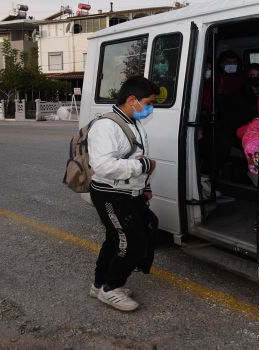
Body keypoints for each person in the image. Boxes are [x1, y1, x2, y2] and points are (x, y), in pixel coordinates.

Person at [87, 76, 159, 312]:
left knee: (117, 237)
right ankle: (111, 289)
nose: (150, 109)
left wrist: (144, 185)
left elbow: (135, 156)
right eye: (148, 103)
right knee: (133, 243)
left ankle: (99, 284)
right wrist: (142, 168)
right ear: (132, 100)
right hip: (111, 193)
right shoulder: (106, 126)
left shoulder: (132, 122)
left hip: (130, 191)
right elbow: (103, 166)